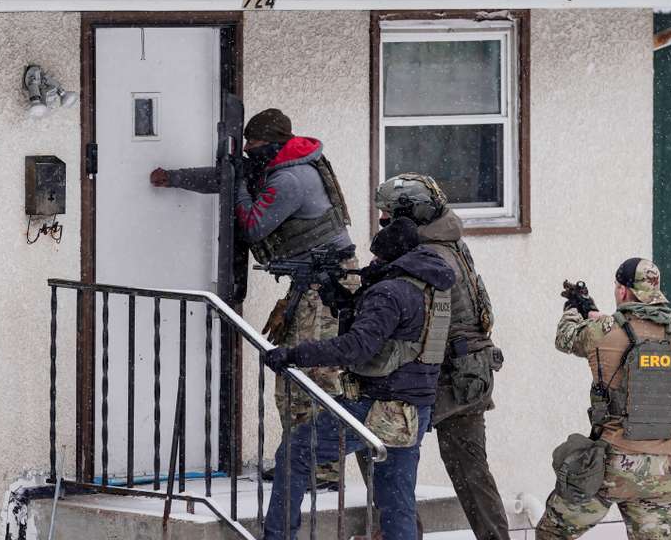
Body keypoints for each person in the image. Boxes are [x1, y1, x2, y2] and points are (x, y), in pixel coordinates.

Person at [151, 107, 354, 485]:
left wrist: (239, 183)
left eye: (253, 143)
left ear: (272, 144)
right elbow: (225, 180)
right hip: (312, 285)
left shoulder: (292, 179)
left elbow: (252, 224)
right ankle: (306, 464)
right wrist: (174, 178)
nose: (247, 148)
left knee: (310, 378)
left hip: (324, 288)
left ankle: (319, 469)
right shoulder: (280, 165)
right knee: (300, 377)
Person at [262, 216, 454, 540]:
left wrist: (294, 354)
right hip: (412, 409)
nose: (373, 262)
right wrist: (334, 291)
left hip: (377, 404)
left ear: (390, 256)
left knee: (294, 454)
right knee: (396, 501)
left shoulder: (391, 292)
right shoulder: (428, 285)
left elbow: (356, 346)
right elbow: (384, 327)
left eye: (377, 257)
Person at [374, 174, 510, 540]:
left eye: (388, 216)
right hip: (472, 372)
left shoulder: (426, 254)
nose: (383, 222)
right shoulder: (450, 240)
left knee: (379, 444)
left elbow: (411, 319)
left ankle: (401, 533)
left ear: (410, 215)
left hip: (448, 374)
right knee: (472, 473)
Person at [536, 258, 671, 540]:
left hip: (611, 465)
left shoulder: (603, 332)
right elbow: (645, 338)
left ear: (622, 291)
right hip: (663, 470)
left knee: (552, 533)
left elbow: (566, 338)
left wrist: (573, 309)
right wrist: (596, 313)